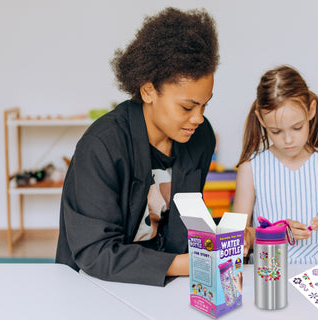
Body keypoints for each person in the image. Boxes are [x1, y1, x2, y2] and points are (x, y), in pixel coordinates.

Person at [55, 7, 220, 286]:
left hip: (170, 280)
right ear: (148, 91)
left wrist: (223, 240)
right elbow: (96, 253)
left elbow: (184, 219)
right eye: (187, 106)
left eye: (205, 104)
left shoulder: (201, 137)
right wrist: (190, 263)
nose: (198, 118)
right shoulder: (101, 147)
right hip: (96, 283)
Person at [232, 65, 318, 265]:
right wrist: (275, 233)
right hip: (268, 276)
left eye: (297, 127)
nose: (288, 139)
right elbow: (236, 239)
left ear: (311, 111)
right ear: (261, 120)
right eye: (276, 131)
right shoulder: (251, 168)